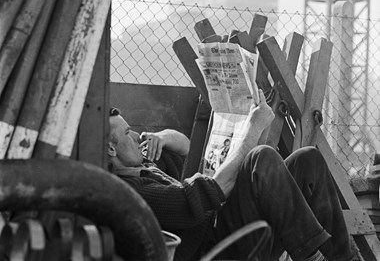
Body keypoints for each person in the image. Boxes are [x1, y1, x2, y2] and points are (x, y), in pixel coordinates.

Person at [108, 90, 359, 261]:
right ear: (110, 149)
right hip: (217, 248)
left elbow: (185, 146)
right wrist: (253, 129)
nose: (135, 136)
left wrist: (162, 137)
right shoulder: (131, 192)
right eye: (128, 133)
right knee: (262, 157)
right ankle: (311, 257)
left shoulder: (144, 164)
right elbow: (208, 193)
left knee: (308, 159)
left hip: (231, 230)